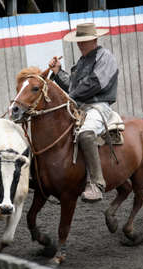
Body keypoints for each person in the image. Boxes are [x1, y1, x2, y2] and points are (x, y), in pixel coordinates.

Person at [48, 23, 118, 202]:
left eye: (84, 41)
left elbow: (95, 83)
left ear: (94, 39)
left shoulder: (105, 57)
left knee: (86, 134)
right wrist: (58, 72)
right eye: (79, 41)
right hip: (80, 107)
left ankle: (96, 183)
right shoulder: (82, 61)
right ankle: (66, 183)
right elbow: (73, 85)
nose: (80, 44)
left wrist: (70, 97)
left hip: (98, 106)